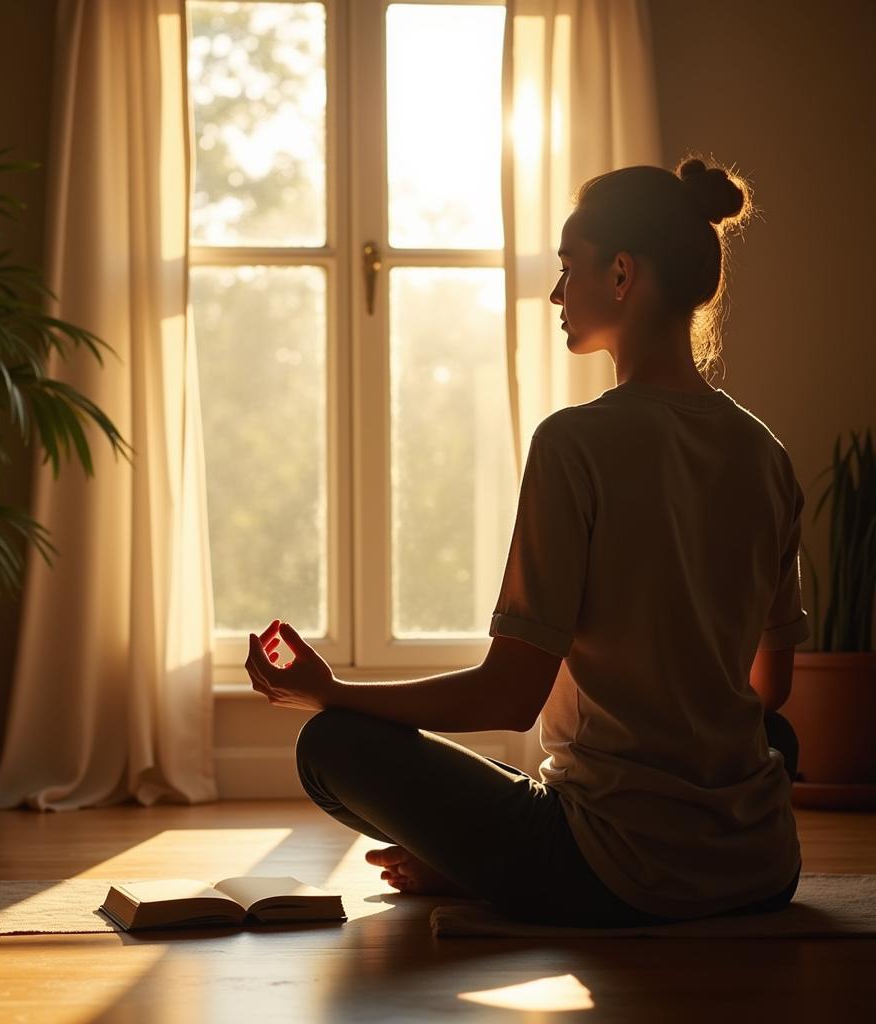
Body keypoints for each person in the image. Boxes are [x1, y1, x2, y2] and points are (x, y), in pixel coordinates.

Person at [245, 155, 808, 927]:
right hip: (760, 866)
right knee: (768, 737)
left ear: (620, 274)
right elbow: (768, 692)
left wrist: (332, 692)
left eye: (567, 267)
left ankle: (492, 871)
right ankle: (536, 862)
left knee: (331, 746)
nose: (555, 292)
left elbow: (511, 698)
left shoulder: (574, 443)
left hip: (609, 867)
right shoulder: (765, 454)